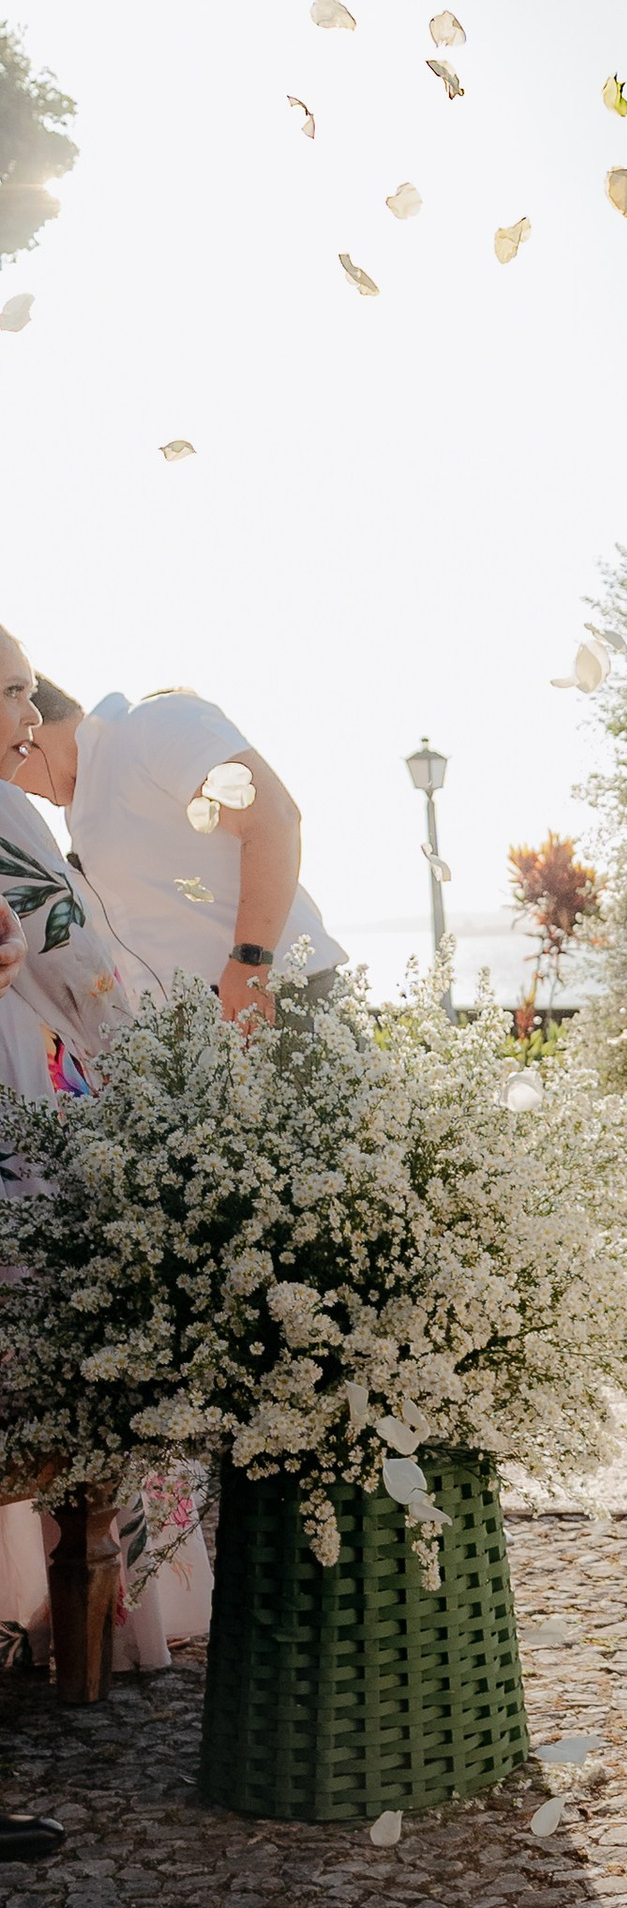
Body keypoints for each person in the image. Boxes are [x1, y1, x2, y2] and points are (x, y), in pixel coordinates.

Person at [0, 629, 211, 1675]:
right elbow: (80, 959)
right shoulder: (8, 811)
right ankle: (115, 1607)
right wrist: (151, 1066)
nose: (27, 719)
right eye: (11, 694)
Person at [6, 671, 341, 1026]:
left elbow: (272, 818)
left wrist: (250, 963)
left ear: (29, 733)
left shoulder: (153, 723)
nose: (15, 786)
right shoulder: (80, 809)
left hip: (276, 991)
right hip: (197, 1024)